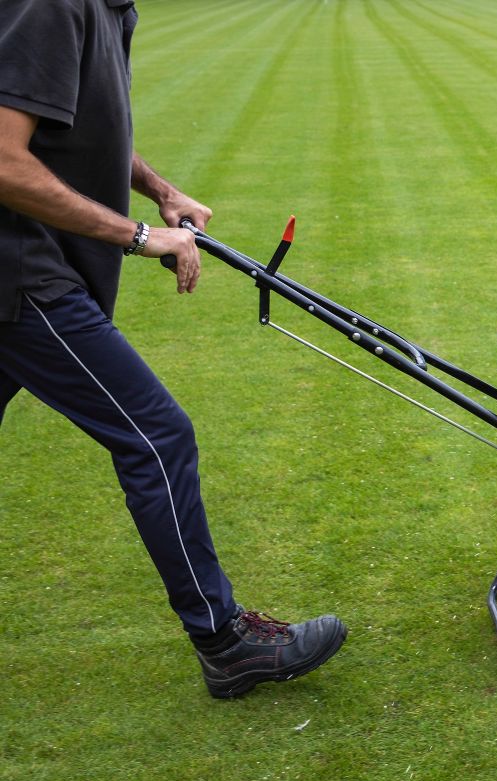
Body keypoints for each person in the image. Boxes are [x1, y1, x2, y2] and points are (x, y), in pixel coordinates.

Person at [0, 0, 346, 698]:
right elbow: (4, 160)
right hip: (21, 275)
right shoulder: (53, 4)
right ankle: (226, 644)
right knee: (157, 436)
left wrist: (157, 189)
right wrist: (136, 235)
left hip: (35, 270)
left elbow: (72, 125)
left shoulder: (105, 8)